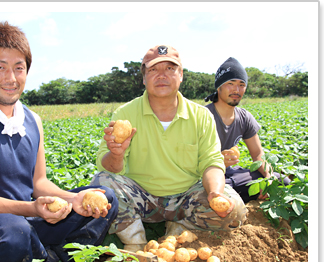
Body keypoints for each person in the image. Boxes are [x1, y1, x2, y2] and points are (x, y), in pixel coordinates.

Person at [0, 21, 118, 262]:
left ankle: (52, 255)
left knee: (104, 197)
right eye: (0, 67)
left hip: (28, 219)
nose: (11, 78)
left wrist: (73, 200)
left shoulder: (32, 119)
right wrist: (33, 208)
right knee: (13, 231)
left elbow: (39, 183)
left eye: (19, 68)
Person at [89, 45, 248, 252]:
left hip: (186, 197)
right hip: (141, 198)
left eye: (170, 69)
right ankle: (135, 242)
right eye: (153, 70)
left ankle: (179, 230)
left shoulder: (200, 116)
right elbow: (108, 167)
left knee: (233, 209)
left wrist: (215, 194)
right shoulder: (125, 113)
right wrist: (116, 154)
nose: (162, 76)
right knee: (101, 185)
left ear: (181, 75)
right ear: (144, 78)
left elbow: (212, 163)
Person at [204, 57, 291, 203]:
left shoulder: (244, 117)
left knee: (282, 182)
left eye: (241, 84)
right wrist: (217, 161)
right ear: (219, 87)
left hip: (232, 174)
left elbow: (257, 154)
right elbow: (188, 161)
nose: (236, 90)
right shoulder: (202, 116)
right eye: (230, 83)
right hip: (206, 177)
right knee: (213, 195)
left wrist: (268, 180)